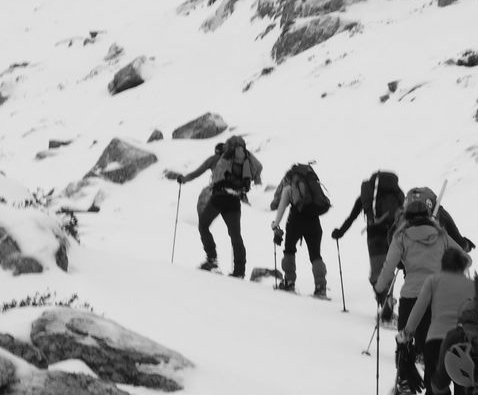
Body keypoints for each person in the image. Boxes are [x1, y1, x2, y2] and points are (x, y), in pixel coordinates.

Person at [373, 187, 460, 395]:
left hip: (411, 297)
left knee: (405, 340)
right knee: (432, 347)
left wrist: (380, 287)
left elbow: (389, 266)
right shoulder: (441, 235)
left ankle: (404, 386)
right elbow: (463, 256)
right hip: (437, 297)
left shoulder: (401, 235)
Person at [400, 245, 475, 395]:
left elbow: (419, 309)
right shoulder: (471, 285)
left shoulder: (433, 280)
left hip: (436, 344)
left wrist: (407, 334)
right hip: (465, 345)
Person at [167, 134, 262, 277]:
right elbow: (257, 170)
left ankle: (212, 259)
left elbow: (198, 172)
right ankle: (239, 271)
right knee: (235, 235)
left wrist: (184, 179)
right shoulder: (245, 160)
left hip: (219, 198)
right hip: (234, 200)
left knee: (203, 226)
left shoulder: (217, 159)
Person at [330, 170, 404, 321]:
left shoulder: (367, 199)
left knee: (377, 273)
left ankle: (385, 304)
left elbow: (352, 217)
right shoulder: (395, 195)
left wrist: (340, 232)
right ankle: (388, 302)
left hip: (375, 236)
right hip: (394, 236)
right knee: (389, 270)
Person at [271, 163, 329, 297]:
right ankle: (321, 287)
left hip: (296, 220)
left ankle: (289, 282)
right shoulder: (312, 186)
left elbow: (281, 208)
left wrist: (275, 224)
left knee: (289, 250)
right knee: (315, 255)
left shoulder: (289, 188)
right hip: (314, 220)